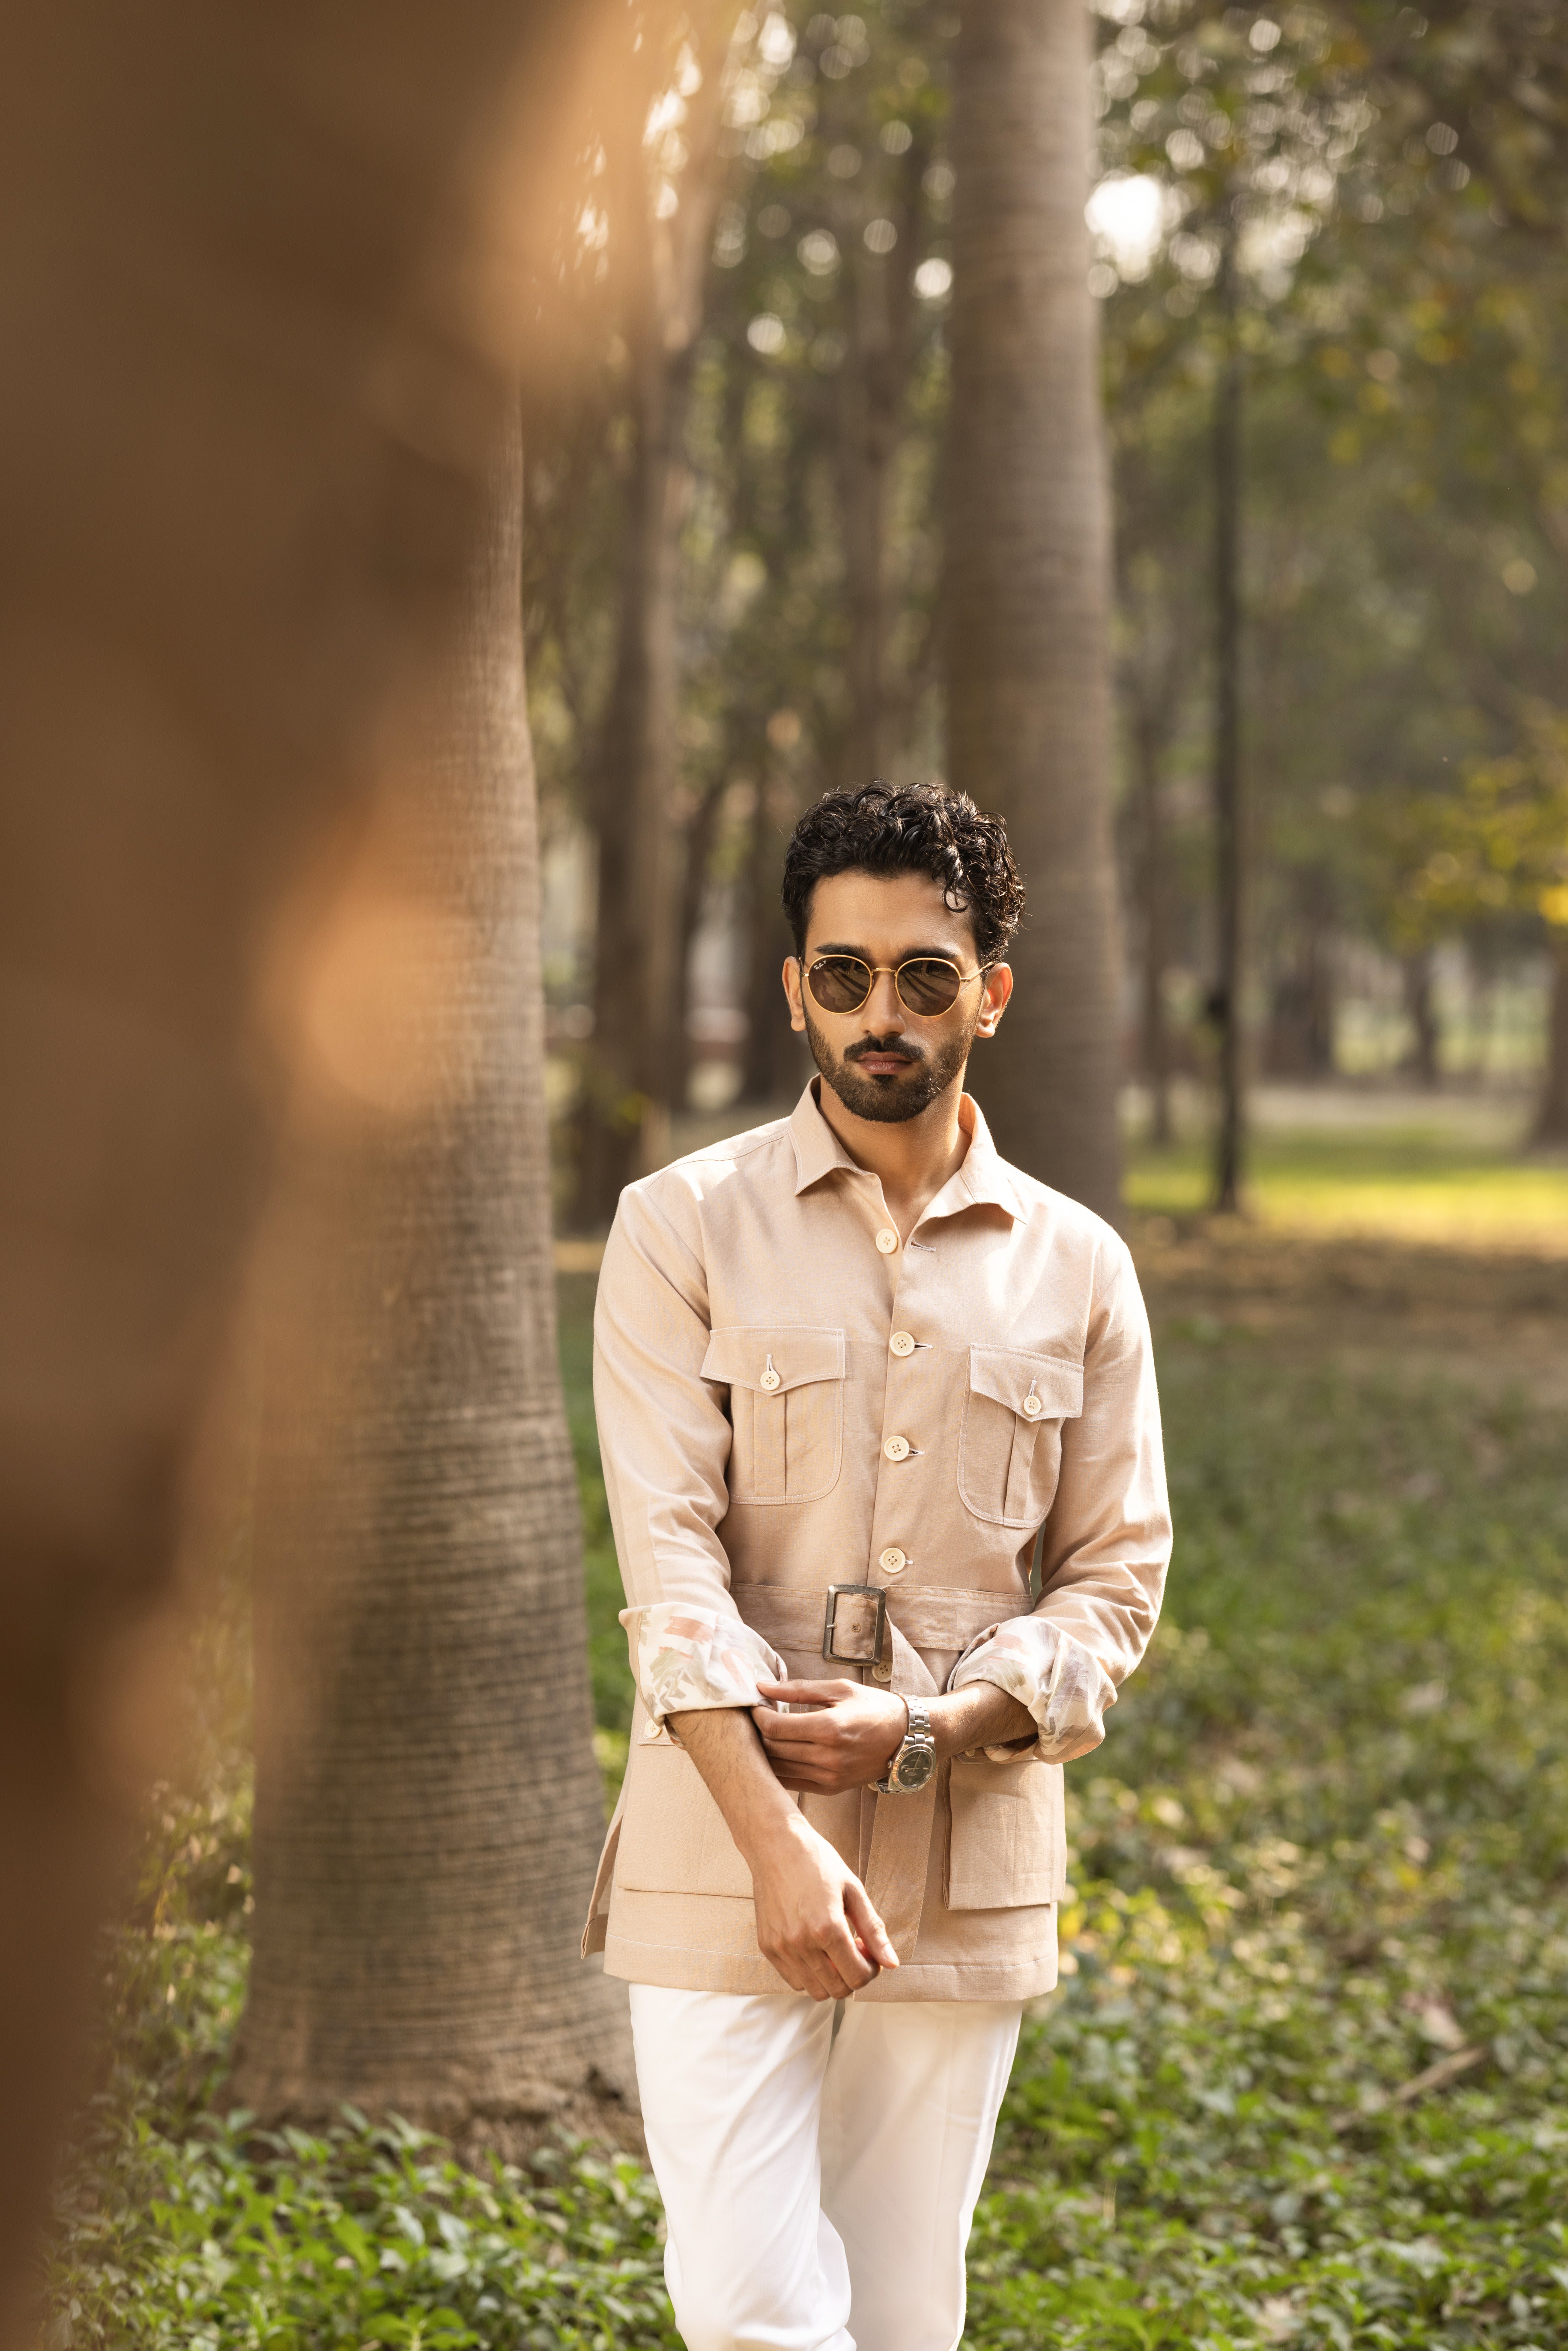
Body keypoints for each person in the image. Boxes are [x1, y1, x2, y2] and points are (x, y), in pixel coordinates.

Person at [583, 781, 1171, 2351]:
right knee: (752, 2311)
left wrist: (933, 1730)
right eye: (841, 974)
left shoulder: (1081, 1266)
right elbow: (668, 1561)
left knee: (906, 2313)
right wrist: (779, 1843)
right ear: (794, 989)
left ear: (989, 988)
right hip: (721, 1839)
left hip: (966, 1846)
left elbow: (1114, 1580)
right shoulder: (678, 1228)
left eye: (924, 973)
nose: (880, 1012)